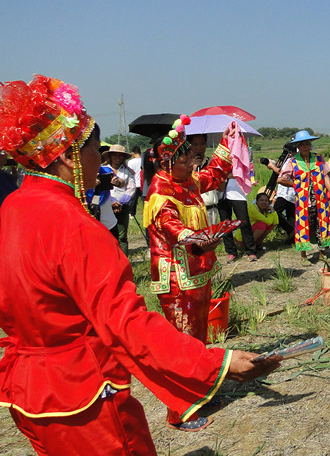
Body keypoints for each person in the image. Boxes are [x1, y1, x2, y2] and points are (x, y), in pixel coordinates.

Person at [0, 76, 281, 453]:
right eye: (95, 149)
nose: (100, 159)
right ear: (69, 156)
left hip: (28, 392)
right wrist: (217, 363)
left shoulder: (13, 208)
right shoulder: (75, 226)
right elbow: (127, 324)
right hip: (83, 394)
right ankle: (184, 404)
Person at [144, 115, 265, 431]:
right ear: (169, 162)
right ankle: (178, 411)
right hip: (176, 282)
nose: (192, 163)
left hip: (197, 275)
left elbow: (216, 172)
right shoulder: (161, 193)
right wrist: (196, 237)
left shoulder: (188, 182)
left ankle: (200, 393)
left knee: (197, 342)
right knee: (181, 346)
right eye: (185, 158)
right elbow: (172, 227)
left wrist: (230, 138)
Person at [278, 130, 330, 263]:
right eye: (302, 144)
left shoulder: (318, 158)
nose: (305, 146)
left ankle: (322, 253)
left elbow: (326, 176)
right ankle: (303, 256)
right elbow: (281, 179)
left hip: (320, 199)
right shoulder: (293, 162)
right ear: (298, 146)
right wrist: (295, 184)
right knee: (303, 226)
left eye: (307, 144)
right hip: (303, 201)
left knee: (322, 224)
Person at [104, 144, 137, 255]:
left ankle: (124, 260)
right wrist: (111, 201)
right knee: (107, 234)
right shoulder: (103, 169)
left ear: (123, 158)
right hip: (106, 205)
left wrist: (121, 202)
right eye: (115, 155)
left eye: (120, 156)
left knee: (122, 235)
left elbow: (131, 188)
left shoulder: (128, 171)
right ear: (110, 156)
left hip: (123, 206)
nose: (117, 158)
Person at [189, 133, 222, 226]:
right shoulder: (185, 164)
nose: (199, 147)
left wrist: (220, 174)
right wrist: (194, 169)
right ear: (190, 145)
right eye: (195, 144)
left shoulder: (212, 163)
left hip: (211, 210)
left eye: (202, 143)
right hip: (193, 211)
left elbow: (221, 188)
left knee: (211, 239)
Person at [234, 185, 279, 250]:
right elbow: (268, 221)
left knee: (270, 225)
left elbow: (276, 222)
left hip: (252, 232)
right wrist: (270, 217)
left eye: (266, 201)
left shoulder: (265, 210)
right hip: (241, 238)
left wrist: (272, 210)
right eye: (261, 200)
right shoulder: (253, 208)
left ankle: (257, 243)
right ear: (257, 202)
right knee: (262, 225)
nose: (264, 202)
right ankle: (249, 245)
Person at [127, 145, 143, 216]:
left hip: (134, 183)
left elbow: (129, 173)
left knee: (133, 201)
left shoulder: (131, 162)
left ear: (133, 153)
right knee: (145, 201)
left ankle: (132, 214)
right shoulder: (143, 160)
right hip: (143, 184)